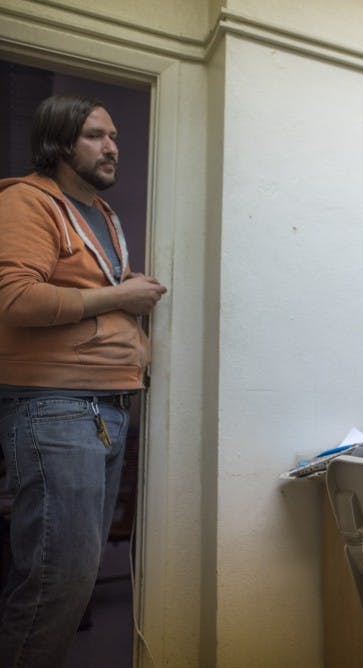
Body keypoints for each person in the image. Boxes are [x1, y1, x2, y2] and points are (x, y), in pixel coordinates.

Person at [0, 94, 167, 667]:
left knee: (76, 576)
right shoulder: (26, 201)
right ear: (59, 142)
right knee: (56, 580)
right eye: (96, 135)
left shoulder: (104, 214)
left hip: (106, 406)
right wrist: (122, 296)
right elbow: (15, 298)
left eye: (114, 136)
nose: (113, 147)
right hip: (55, 406)